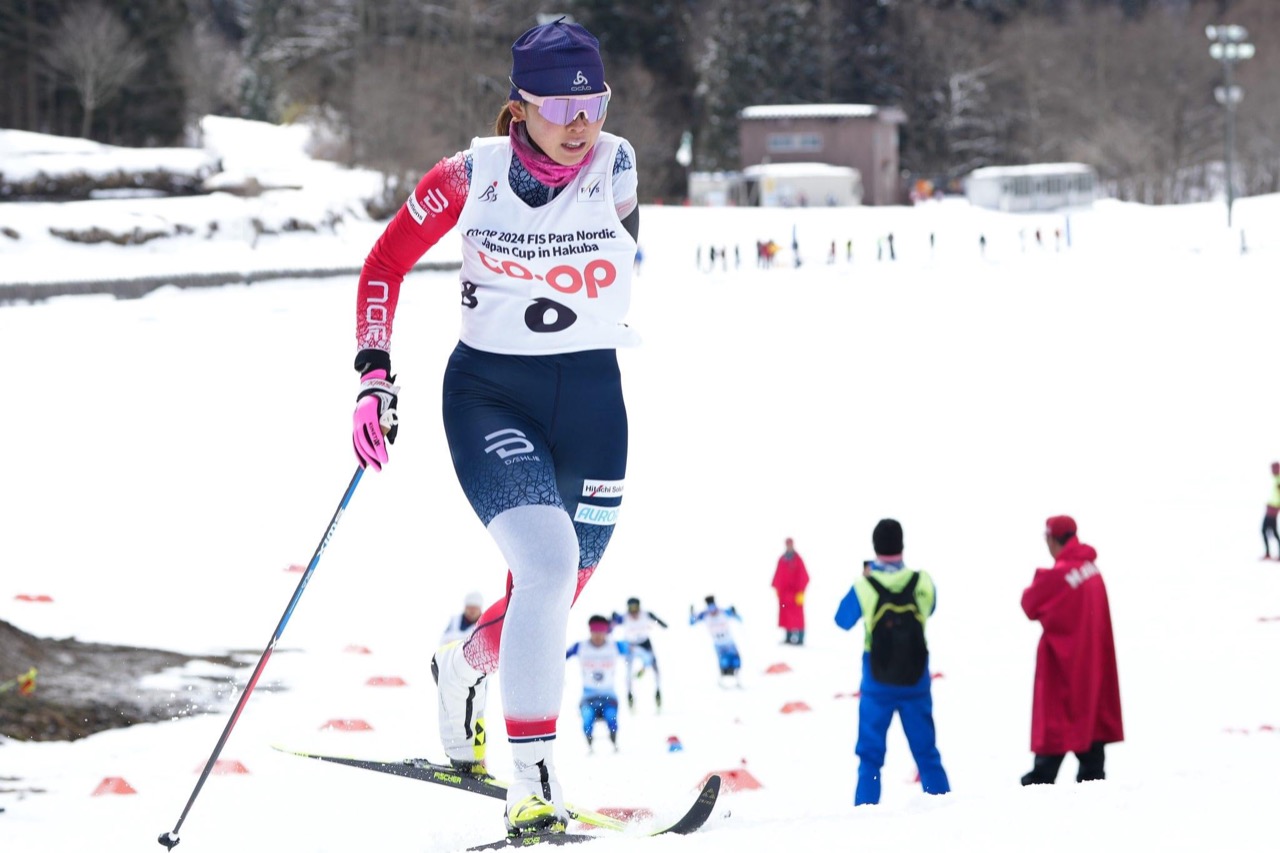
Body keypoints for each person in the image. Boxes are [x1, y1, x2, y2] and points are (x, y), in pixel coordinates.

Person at [348, 18, 640, 837]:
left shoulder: (618, 163)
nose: (582, 124)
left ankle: (463, 665)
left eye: (595, 103)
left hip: (593, 399)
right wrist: (373, 374)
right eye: (562, 107)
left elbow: (618, 258)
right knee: (546, 564)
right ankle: (533, 779)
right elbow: (385, 263)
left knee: (556, 589)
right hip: (491, 395)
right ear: (520, 107)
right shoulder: (466, 176)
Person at [834, 518, 949, 806]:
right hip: (916, 680)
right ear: (902, 545)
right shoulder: (923, 581)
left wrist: (867, 578)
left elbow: (842, 620)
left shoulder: (864, 585)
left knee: (870, 758)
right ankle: (945, 810)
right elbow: (931, 608)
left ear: (875, 547)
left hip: (877, 682)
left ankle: (865, 814)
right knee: (926, 754)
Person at [1020, 516, 1123, 785]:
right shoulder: (1091, 569)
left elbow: (1029, 603)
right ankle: (1092, 791)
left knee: (1054, 738)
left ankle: (1037, 789)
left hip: (1064, 668)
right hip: (1092, 667)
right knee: (1092, 746)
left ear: (1052, 539)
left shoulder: (1061, 574)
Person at [565, 615, 628, 752]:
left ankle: (614, 742)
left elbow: (636, 648)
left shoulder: (615, 646)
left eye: (601, 632)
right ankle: (590, 745)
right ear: (590, 631)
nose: (598, 636)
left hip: (609, 696)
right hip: (588, 698)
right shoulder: (580, 646)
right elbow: (560, 657)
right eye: (595, 632)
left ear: (606, 632)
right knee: (587, 720)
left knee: (611, 718)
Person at [610, 596, 668, 709]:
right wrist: (612, 618)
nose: (633, 612)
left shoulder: (646, 614)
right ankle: (629, 694)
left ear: (639, 607)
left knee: (655, 667)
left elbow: (657, 619)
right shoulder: (624, 617)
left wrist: (662, 624)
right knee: (628, 670)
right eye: (631, 609)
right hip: (630, 646)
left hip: (644, 644)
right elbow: (612, 623)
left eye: (635, 608)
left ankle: (657, 691)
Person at [689, 595, 743, 686]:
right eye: (710, 607)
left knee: (735, 661)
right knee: (724, 662)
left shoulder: (723, 612)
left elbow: (739, 619)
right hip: (718, 644)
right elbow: (692, 622)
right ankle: (724, 680)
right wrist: (691, 614)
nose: (712, 609)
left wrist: (734, 612)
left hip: (729, 642)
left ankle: (737, 680)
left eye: (713, 606)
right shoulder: (704, 615)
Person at [772, 537, 810, 645]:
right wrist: (777, 589)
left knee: (798, 617)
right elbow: (778, 575)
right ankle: (788, 637)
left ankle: (800, 638)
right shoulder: (782, 559)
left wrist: (801, 592)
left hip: (796, 594)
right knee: (786, 615)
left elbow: (804, 576)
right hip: (785, 594)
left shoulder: (798, 559)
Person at [1262, 462, 1280, 560]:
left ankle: (1268, 553)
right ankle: (1268, 553)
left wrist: (1277, 508)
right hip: (1271, 508)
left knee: (1266, 530)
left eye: (1273, 468)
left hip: (1273, 510)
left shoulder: (1278, 480)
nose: (1272, 471)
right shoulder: (1275, 479)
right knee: (1271, 531)